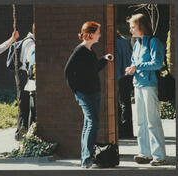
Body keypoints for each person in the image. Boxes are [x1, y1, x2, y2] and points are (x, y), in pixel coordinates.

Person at [64, 21, 114, 168]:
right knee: (92, 123)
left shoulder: (90, 51)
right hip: (85, 94)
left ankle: (85, 158)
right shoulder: (79, 51)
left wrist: (104, 59)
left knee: (89, 124)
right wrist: (77, 91)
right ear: (91, 34)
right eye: (98, 32)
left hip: (94, 92)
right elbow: (68, 72)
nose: (99, 35)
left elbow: (93, 69)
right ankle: (86, 160)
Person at [125, 13, 166, 166]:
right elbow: (134, 62)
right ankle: (144, 153)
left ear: (141, 26)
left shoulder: (154, 42)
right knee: (141, 122)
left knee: (152, 121)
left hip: (150, 85)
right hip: (138, 84)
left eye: (133, 27)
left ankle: (159, 156)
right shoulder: (137, 43)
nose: (131, 30)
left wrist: (137, 67)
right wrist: (132, 68)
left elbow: (157, 63)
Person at [14, 24, 35, 141]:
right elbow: (30, 62)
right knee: (25, 105)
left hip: (22, 75)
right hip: (25, 76)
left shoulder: (28, 41)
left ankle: (21, 132)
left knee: (24, 104)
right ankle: (21, 133)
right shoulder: (30, 43)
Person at [117, 30, 134, 139]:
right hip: (127, 75)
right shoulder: (124, 41)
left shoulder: (114, 43)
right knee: (126, 103)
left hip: (118, 75)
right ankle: (128, 131)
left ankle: (120, 130)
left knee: (118, 103)